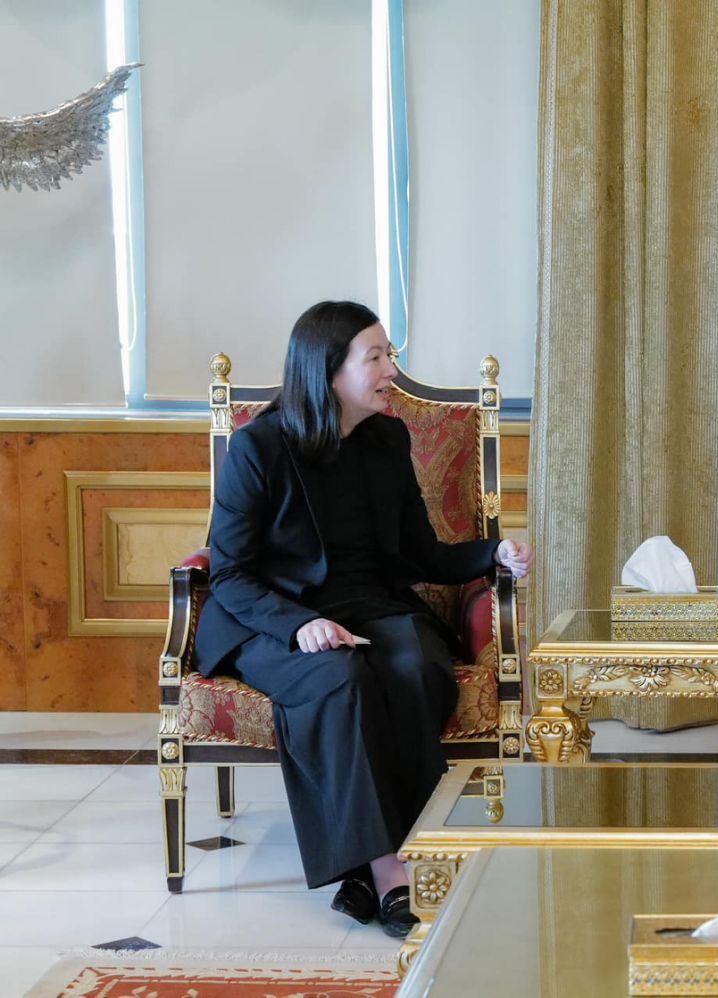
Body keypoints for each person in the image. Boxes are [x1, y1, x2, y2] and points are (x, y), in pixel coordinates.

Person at [193, 301, 532, 937]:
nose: (390, 371)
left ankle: (358, 870)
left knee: (417, 669)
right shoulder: (258, 448)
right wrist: (299, 625)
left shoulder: (387, 439)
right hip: (272, 618)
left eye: (388, 355)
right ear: (328, 371)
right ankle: (392, 870)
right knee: (340, 678)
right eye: (375, 357)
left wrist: (493, 553)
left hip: (373, 605)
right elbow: (230, 575)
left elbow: (420, 554)